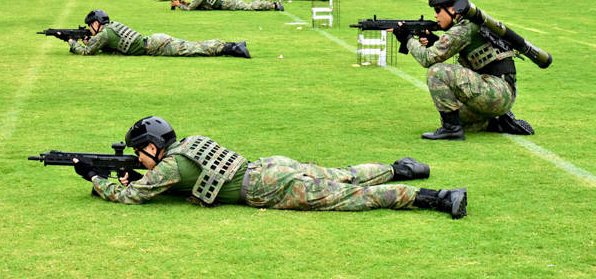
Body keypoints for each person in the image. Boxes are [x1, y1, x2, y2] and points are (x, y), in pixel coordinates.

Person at [72, 116, 468, 219]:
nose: (139, 158)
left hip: (267, 189)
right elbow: (174, 181)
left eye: (141, 152)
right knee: (342, 173)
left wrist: (95, 181)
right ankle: (402, 168)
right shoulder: (187, 146)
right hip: (268, 166)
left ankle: (435, 198)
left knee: (349, 196)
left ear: (155, 148)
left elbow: (132, 196)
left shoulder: (170, 167)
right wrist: (139, 173)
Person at [389, 0, 534, 140]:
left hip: (497, 92)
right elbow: (454, 50)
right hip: (500, 92)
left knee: (436, 72)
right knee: (456, 116)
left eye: (438, 10)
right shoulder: (470, 23)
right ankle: (498, 122)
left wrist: (407, 39)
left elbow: (427, 59)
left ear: (453, 9)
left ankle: (452, 131)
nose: (435, 15)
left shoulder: (463, 28)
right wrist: (434, 40)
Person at [65, 10, 251, 58]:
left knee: (194, 48)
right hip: (154, 41)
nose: (89, 29)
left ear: (97, 23)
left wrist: (72, 43)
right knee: (193, 46)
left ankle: (232, 48)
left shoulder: (104, 34)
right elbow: (104, 46)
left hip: (155, 46)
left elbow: (87, 52)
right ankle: (231, 46)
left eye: (90, 26)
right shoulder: (111, 27)